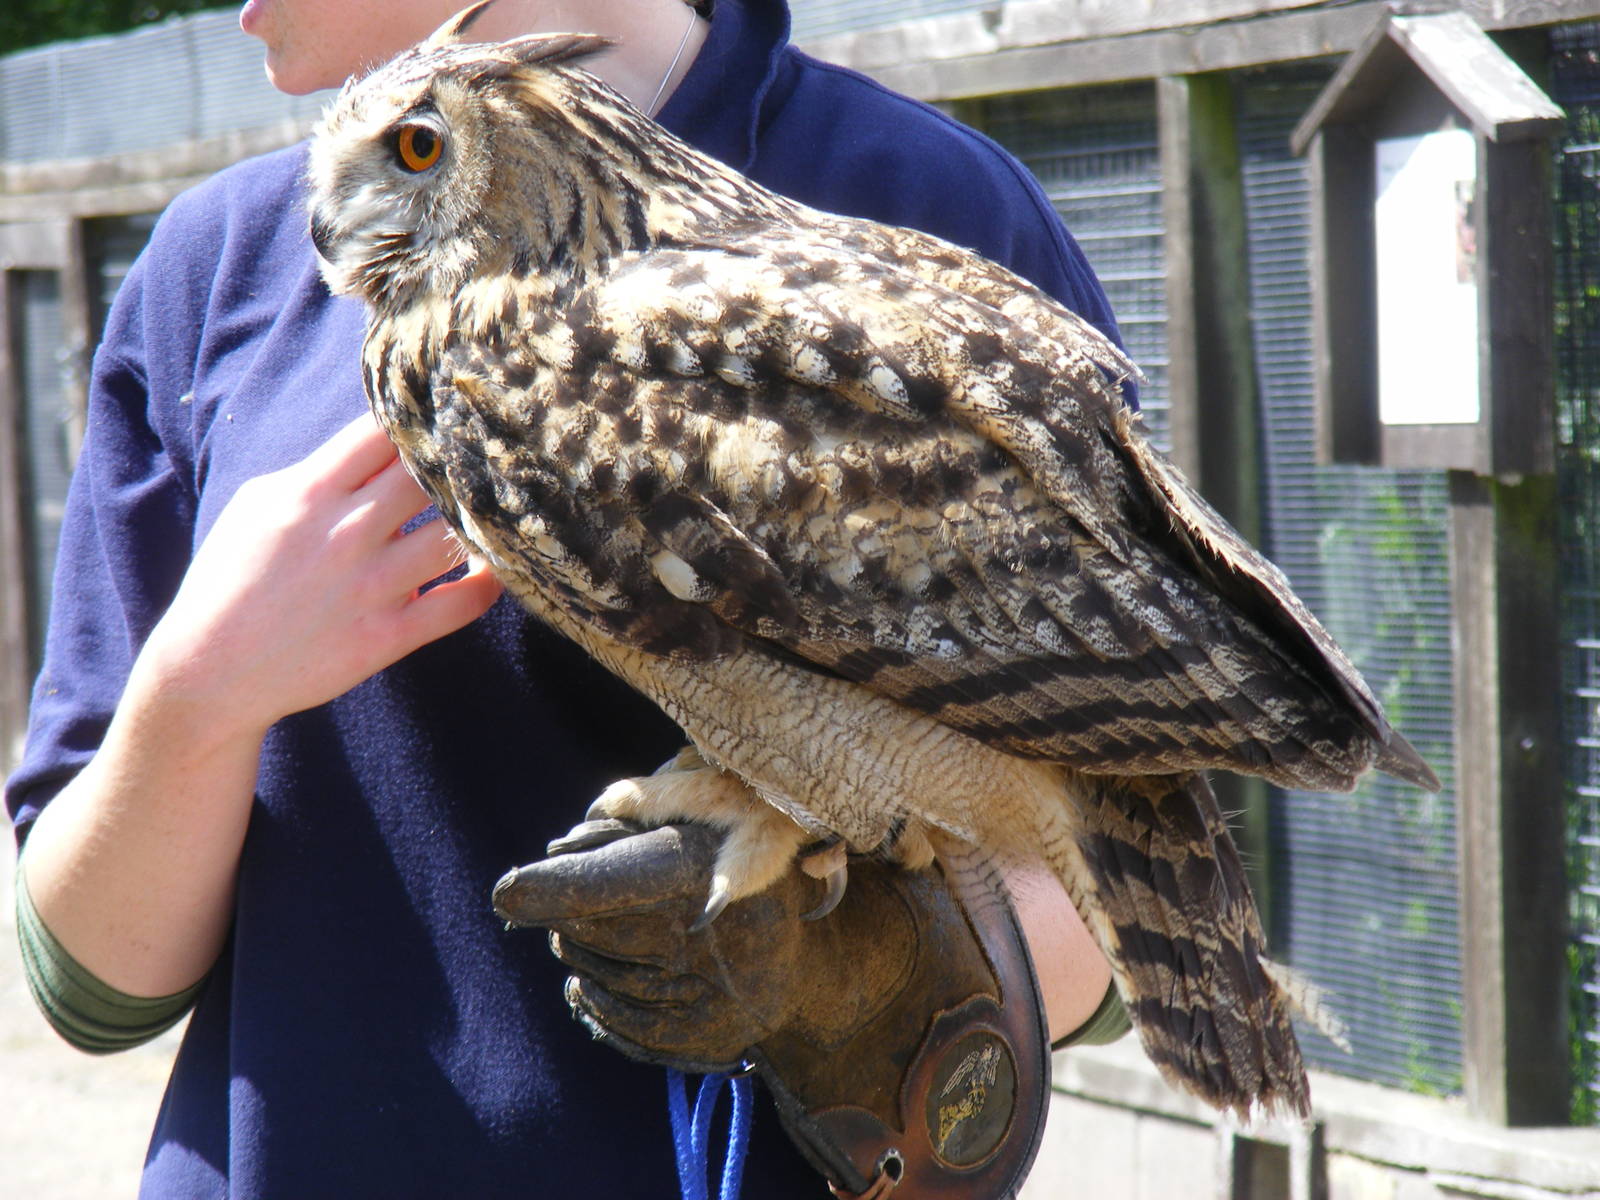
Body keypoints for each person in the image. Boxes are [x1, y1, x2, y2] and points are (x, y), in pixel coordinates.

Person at [6, 0, 1131, 1194]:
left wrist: (853, 969)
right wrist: (198, 695)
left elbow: (1130, 874)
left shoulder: (907, 194)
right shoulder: (219, 263)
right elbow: (91, 979)